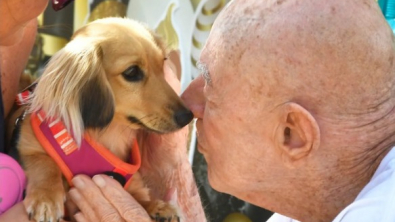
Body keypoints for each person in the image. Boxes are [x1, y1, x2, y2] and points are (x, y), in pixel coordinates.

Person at [59, 0, 395, 221]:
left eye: (209, 81)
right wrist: (174, 176)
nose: (189, 105)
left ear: (292, 134)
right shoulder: (313, 200)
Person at [0, 1, 205, 221]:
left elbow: (131, 187)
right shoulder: (47, 131)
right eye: (133, 73)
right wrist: (46, 185)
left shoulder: (130, 147)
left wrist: (145, 202)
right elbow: (34, 150)